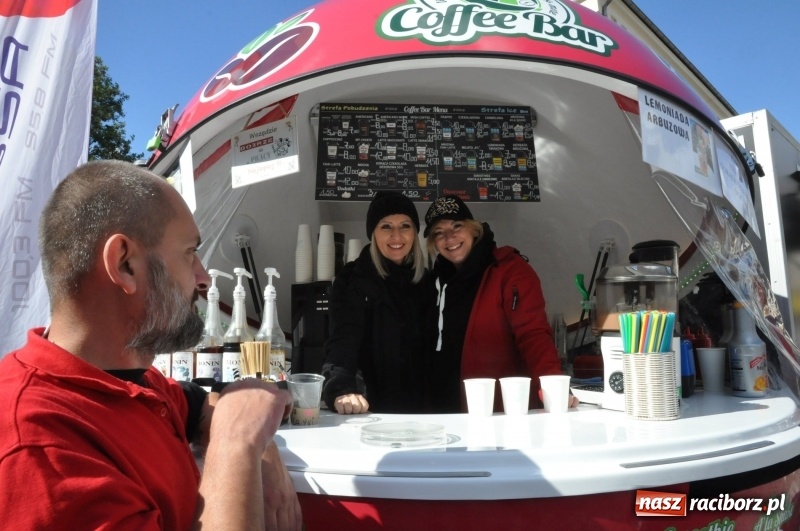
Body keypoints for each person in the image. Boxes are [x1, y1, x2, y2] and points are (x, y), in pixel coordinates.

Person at [0, 161, 302, 530]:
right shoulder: (39, 449)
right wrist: (236, 445)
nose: (204, 279)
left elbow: (209, 407)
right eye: (190, 252)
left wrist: (262, 450)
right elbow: (231, 423)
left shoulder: (135, 383)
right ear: (124, 264)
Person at [423, 195, 577, 413]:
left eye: (457, 226)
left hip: (496, 410)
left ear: (474, 230)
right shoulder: (435, 280)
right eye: (439, 232)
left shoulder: (509, 270)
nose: (449, 237)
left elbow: (533, 334)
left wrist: (551, 383)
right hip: (444, 408)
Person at [322, 192, 435, 414]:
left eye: (405, 225)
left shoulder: (427, 282)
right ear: (373, 233)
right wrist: (341, 390)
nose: (396, 235)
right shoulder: (354, 278)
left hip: (423, 410)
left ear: (415, 232)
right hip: (371, 410)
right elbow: (343, 340)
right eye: (386, 226)